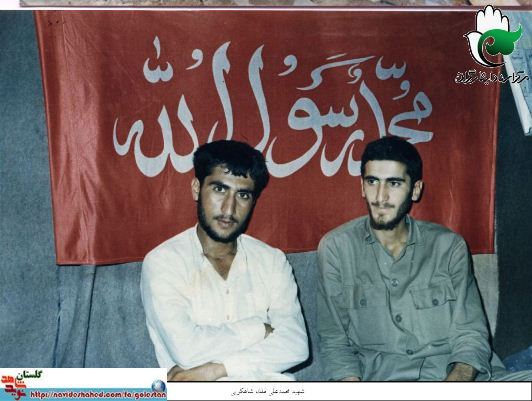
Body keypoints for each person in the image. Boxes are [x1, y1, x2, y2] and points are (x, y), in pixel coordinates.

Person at [317, 136, 532, 381]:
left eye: (394, 183)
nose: (380, 196)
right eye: (372, 181)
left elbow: (470, 333)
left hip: (461, 379)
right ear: (362, 186)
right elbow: (334, 343)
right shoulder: (337, 249)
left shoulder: (448, 246)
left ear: (415, 189)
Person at [141, 140, 308, 381]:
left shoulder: (272, 260)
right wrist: (259, 329)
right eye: (219, 189)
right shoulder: (164, 262)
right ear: (197, 189)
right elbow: (187, 350)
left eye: (243, 195)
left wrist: (218, 369)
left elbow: (296, 345)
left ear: (253, 201)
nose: (229, 209)